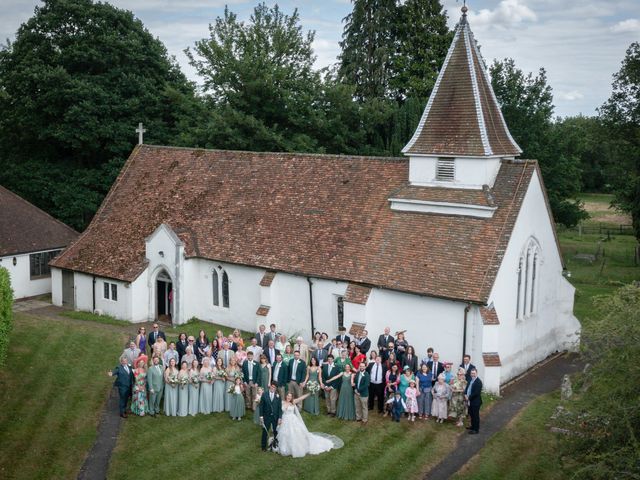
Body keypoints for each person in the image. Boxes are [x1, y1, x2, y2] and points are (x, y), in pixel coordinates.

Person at [276, 392, 340, 458]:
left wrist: (309, 393)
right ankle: (285, 448)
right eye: (288, 396)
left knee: (294, 433)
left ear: (292, 397)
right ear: (286, 396)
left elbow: (301, 398)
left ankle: (296, 448)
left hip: (292, 420)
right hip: (284, 420)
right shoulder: (282, 402)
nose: (289, 397)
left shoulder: (293, 402)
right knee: (284, 434)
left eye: (290, 396)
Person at [259, 382, 282, 451]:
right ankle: (263, 447)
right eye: (272, 386)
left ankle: (275, 446)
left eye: (274, 387)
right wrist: (261, 416)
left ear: (276, 389)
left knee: (276, 432)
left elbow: (279, 408)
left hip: (275, 417)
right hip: (266, 417)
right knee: (265, 432)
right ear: (270, 387)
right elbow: (261, 406)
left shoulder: (278, 396)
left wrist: (280, 418)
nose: (273, 388)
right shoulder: (264, 394)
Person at [465, 368, 483, 434]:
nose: (472, 374)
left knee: (475, 416)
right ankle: (472, 426)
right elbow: (467, 388)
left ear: (476, 373)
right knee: (471, 415)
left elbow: (476, 393)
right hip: (469, 401)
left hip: (475, 402)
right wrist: (465, 394)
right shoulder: (470, 380)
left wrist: (468, 397)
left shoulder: (479, 382)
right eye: (471, 373)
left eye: (474, 373)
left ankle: (476, 429)